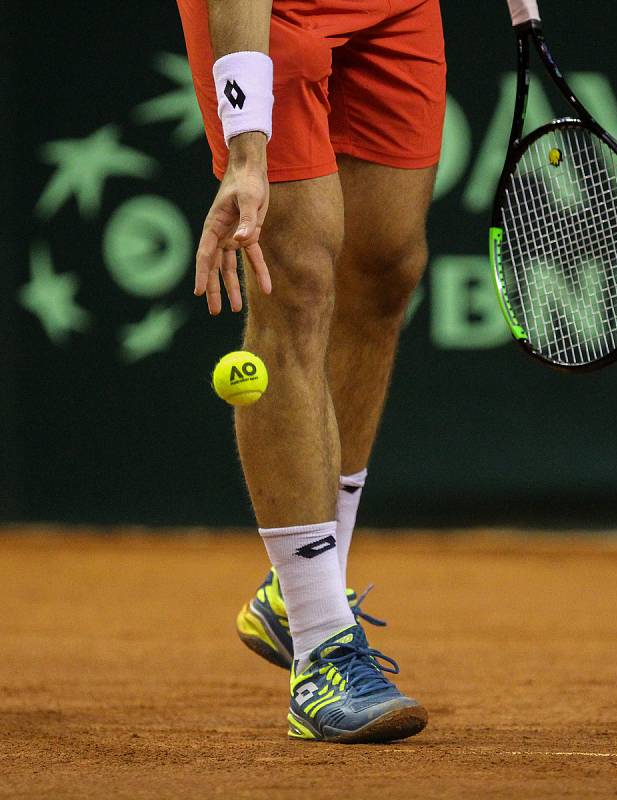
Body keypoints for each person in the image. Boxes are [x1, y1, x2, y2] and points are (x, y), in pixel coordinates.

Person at [177, 0, 446, 743]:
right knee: (293, 276)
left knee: (388, 264)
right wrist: (247, 151)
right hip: (268, 11)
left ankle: (290, 599)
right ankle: (323, 645)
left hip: (395, 8)